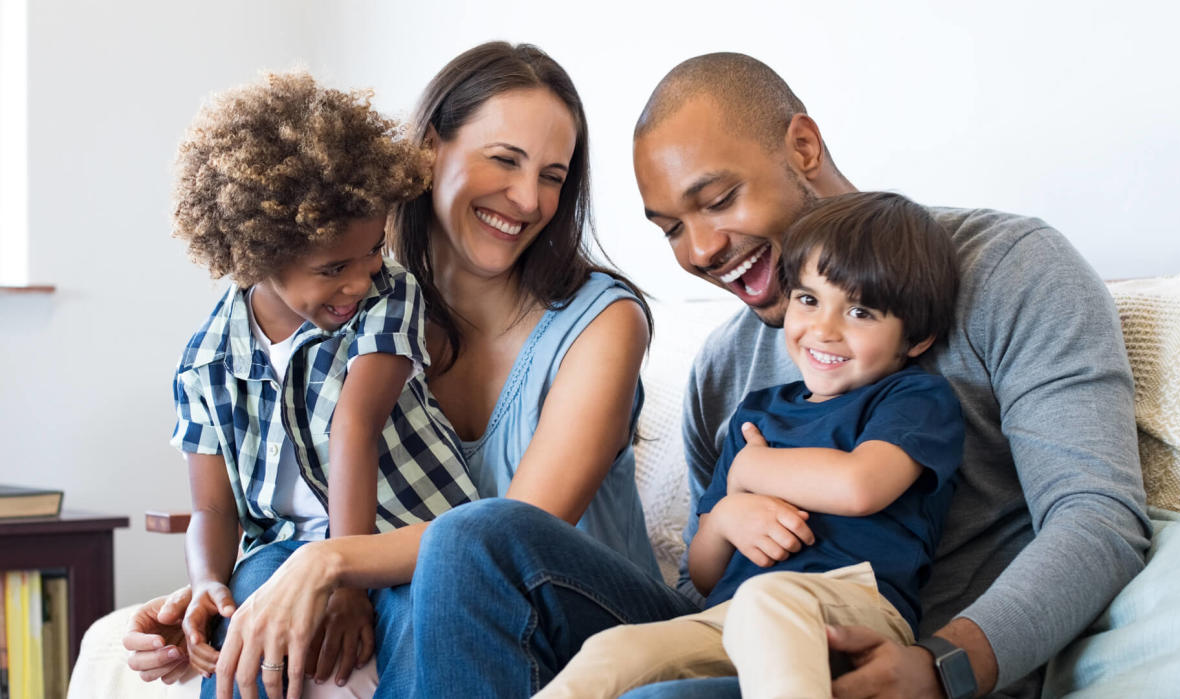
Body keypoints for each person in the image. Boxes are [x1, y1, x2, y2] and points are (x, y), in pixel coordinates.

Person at [407, 52, 1151, 699]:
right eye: (669, 227)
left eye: (719, 199)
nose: (699, 250)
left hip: (894, 651)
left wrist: (942, 665)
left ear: (801, 145)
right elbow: (708, 575)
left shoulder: (1009, 269)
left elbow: (1099, 517)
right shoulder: (724, 368)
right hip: (733, 635)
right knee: (474, 538)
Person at [124, 42, 659, 699]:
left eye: (553, 175)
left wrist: (330, 564)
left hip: (578, 621)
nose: (528, 198)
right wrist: (222, 597)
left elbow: (508, 541)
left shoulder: (602, 322)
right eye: (505, 160)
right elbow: (256, 497)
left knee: (454, 562)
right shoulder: (347, 302)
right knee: (269, 614)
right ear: (429, 150)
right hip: (440, 605)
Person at [536, 191, 965, 699]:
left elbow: (859, 486)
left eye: (861, 312)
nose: (823, 330)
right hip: (731, 612)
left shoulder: (913, 397)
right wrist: (724, 520)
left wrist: (750, 472)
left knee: (769, 600)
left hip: (853, 605)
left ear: (915, 339)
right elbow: (702, 570)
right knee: (614, 651)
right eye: (809, 300)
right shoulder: (758, 412)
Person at [165, 71, 476, 699]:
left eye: (369, 254)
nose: (358, 281)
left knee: (424, 617)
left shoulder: (389, 294)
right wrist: (206, 583)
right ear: (257, 255)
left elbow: (353, 428)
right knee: (248, 612)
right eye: (333, 268)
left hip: (403, 536)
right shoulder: (206, 362)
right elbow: (212, 508)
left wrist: (347, 581)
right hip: (283, 548)